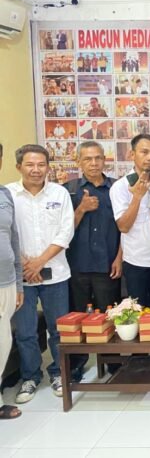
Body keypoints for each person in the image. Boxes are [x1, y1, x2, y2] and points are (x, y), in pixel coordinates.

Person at [7, 145, 74, 403]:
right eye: (30, 164)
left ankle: (59, 373)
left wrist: (40, 262)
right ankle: (30, 377)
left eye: (41, 165)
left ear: (48, 167)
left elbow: (66, 231)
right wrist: (27, 264)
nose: (36, 170)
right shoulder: (8, 195)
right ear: (19, 167)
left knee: (59, 330)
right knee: (25, 332)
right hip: (21, 277)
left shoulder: (59, 193)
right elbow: (5, 232)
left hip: (55, 274)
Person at [110, 134, 150, 309]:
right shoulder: (120, 187)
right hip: (136, 261)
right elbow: (123, 226)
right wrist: (137, 197)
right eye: (144, 152)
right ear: (132, 154)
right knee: (138, 312)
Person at [64, 142, 121, 313]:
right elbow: (62, 231)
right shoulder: (67, 190)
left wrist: (120, 258)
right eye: (88, 159)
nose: (94, 163)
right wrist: (81, 209)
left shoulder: (118, 188)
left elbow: (126, 228)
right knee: (77, 318)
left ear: (104, 160)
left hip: (108, 265)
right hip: (77, 265)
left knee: (109, 317)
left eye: (98, 158)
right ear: (78, 162)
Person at [0, 143, 24, 419]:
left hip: (6, 280)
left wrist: (18, 282)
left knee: (3, 341)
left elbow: (13, 240)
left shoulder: (4, 194)